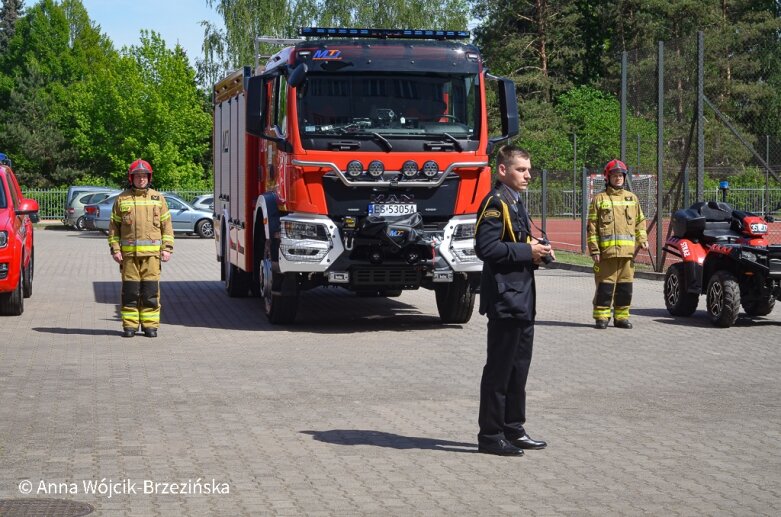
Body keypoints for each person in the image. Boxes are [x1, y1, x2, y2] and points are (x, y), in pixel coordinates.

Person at [474, 145, 553, 457]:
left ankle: (513, 428)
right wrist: (527, 251)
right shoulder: (495, 203)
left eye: (529, 169)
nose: (528, 175)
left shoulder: (515, 202)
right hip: (505, 298)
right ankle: (490, 436)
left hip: (522, 298)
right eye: (521, 169)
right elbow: (486, 248)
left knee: (519, 369)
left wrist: (539, 250)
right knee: (499, 369)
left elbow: (517, 241)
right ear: (502, 170)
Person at [108, 159, 174, 338]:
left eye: (144, 176)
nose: (141, 179)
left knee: (150, 292)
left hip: (152, 256)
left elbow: (166, 226)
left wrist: (167, 248)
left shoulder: (158, 198)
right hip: (129, 256)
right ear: (132, 178)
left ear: (149, 177)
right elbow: (114, 227)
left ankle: (150, 326)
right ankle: (129, 326)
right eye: (137, 176)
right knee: (130, 292)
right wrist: (115, 249)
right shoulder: (122, 199)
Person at [587, 159, 648, 330]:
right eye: (614, 175)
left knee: (625, 288)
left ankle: (621, 317)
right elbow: (592, 227)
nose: (618, 178)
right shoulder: (599, 199)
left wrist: (642, 240)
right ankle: (602, 317)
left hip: (627, 255)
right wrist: (594, 250)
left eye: (621, 175)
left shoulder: (632, 198)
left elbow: (640, 221)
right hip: (606, 254)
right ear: (608, 178)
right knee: (605, 288)